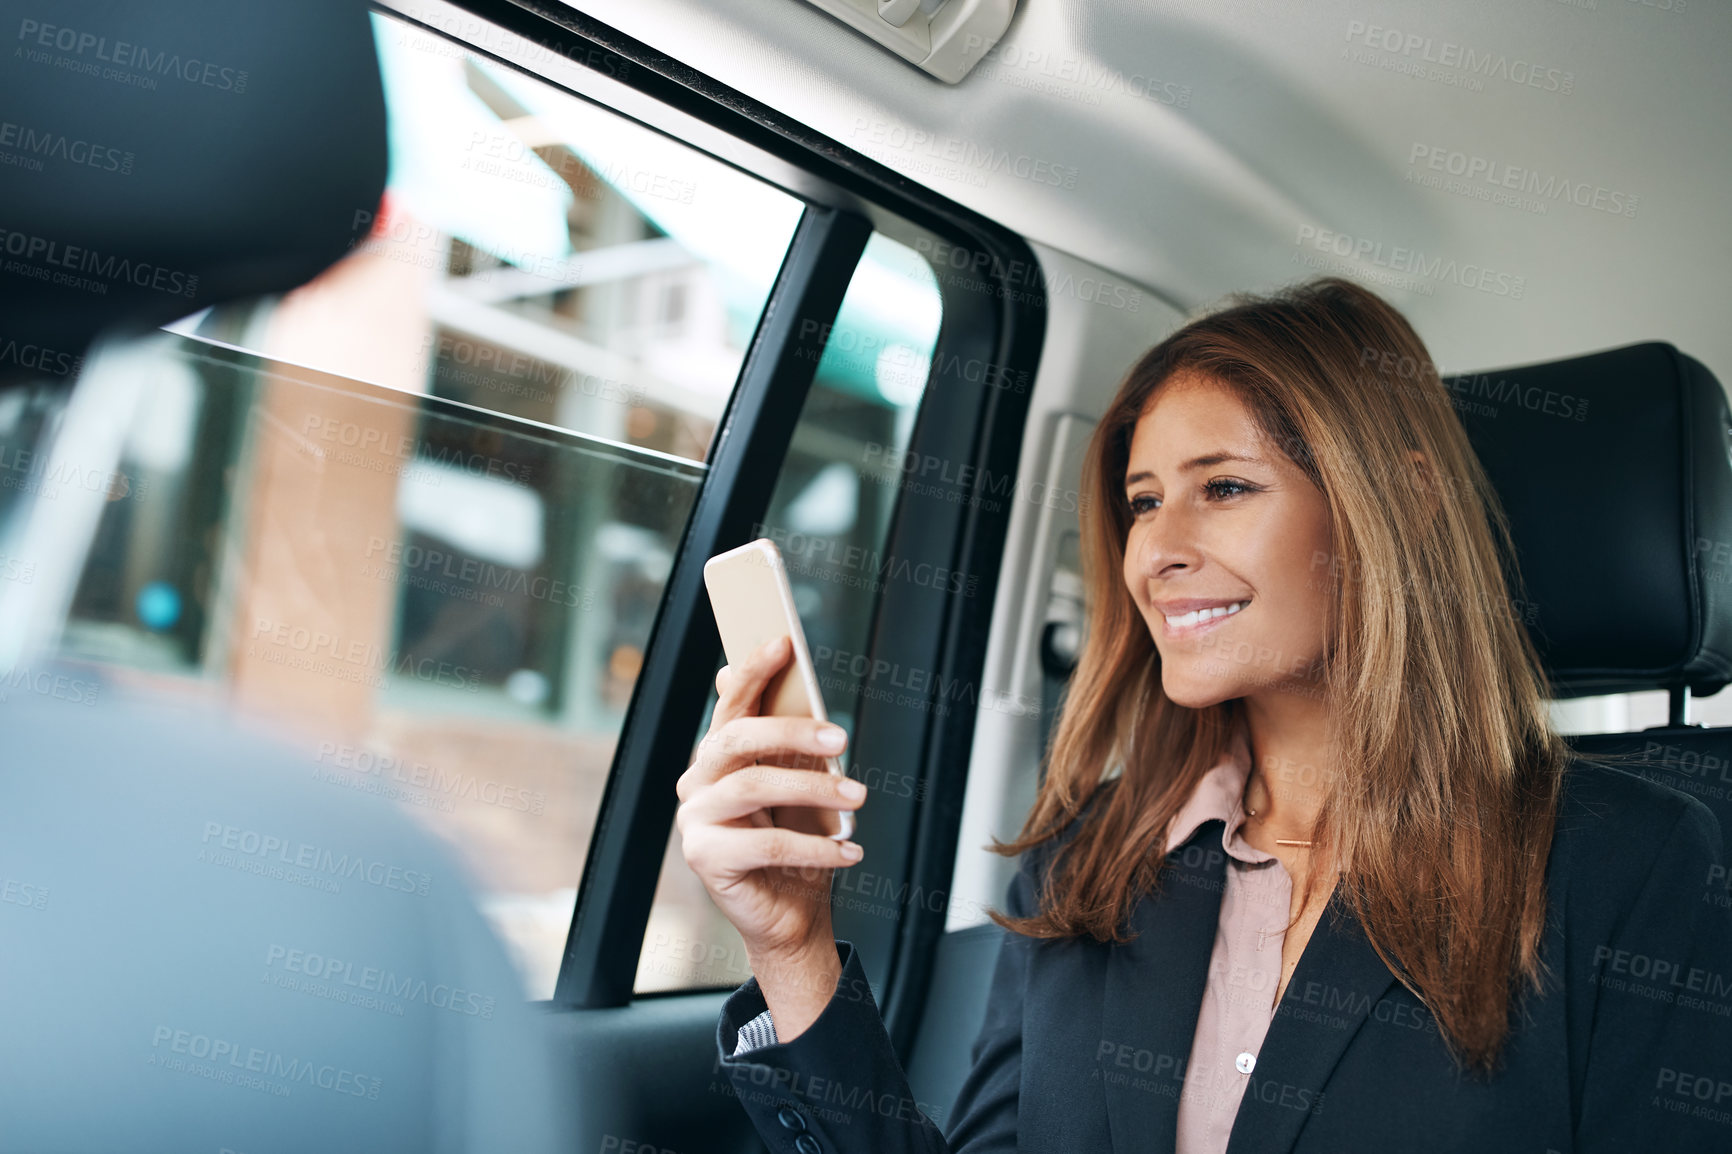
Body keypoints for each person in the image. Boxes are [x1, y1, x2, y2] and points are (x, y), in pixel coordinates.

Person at [675, 277, 1732, 1153]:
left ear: (1400, 501)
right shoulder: (1086, 861)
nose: (1156, 550)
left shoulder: (1629, 867)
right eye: (1141, 500)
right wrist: (794, 941)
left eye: (1222, 486)